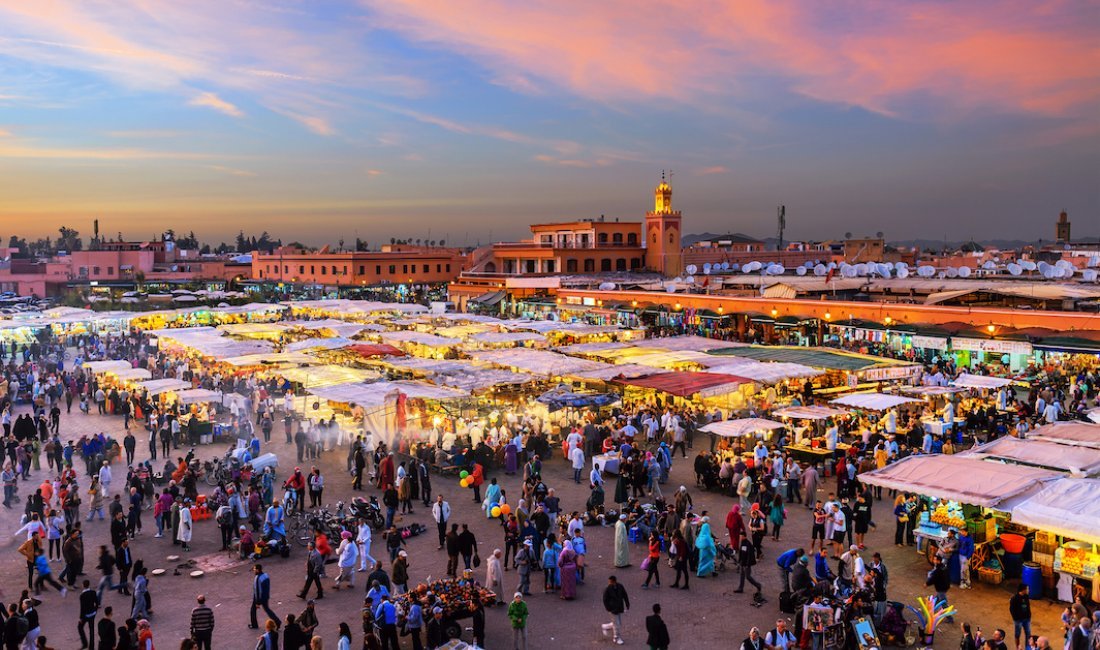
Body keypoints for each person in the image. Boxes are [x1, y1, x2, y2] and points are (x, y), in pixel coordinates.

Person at [251, 564, 281, 631]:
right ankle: (277, 622)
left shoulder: (257, 578)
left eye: (255, 569)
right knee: (267, 609)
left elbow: (257, 590)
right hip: (266, 596)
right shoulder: (266, 575)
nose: (254, 570)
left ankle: (254, 624)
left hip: (259, 597)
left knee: (253, 610)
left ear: (258, 570)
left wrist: (257, 602)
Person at [602, 575, 630, 645]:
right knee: (617, 624)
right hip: (613, 609)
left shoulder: (620, 586)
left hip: (619, 607)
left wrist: (627, 603)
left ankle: (605, 627)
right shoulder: (608, 589)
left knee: (617, 623)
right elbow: (605, 600)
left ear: (613, 581)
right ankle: (616, 638)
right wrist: (608, 608)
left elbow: (625, 595)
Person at [1010, 583, 1032, 650]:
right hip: (1018, 620)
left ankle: (1027, 648)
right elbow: (1012, 609)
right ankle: (1018, 648)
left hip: (1027, 619)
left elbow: (1028, 606)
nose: (1028, 590)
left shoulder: (1026, 596)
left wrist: (1029, 615)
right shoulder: (1015, 598)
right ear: (1023, 590)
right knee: (1017, 634)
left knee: (1028, 634)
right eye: (1027, 589)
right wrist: (1016, 618)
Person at [79, 579, 98, 649]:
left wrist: (81, 618)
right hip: (92, 614)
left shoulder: (82, 595)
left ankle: (85, 643)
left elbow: (82, 608)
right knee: (91, 630)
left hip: (85, 615)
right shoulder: (93, 592)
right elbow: (97, 603)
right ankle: (91, 647)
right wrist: (95, 610)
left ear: (83, 585)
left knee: (80, 627)